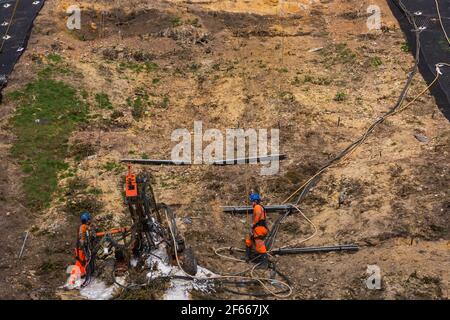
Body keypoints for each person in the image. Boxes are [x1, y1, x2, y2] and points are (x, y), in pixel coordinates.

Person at [245, 193, 269, 267]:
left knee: (259, 245)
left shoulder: (257, 207)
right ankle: (247, 257)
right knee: (248, 240)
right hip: (259, 228)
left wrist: (253, 223)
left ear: (255, 201)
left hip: (259, 228)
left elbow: (258, 214)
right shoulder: (260, 207)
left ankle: (264, 263)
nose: (251, 203)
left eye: (252, 201)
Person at [75, 212, 92, 277]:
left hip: (79, 247)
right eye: (89, 220)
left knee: (80, 261)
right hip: (81, 247)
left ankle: (82, 274)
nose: (89, 221)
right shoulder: (84, 226)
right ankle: (82, 274)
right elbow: (91, 230)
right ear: (87, 220)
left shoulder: (81, 227)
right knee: (82, 261)